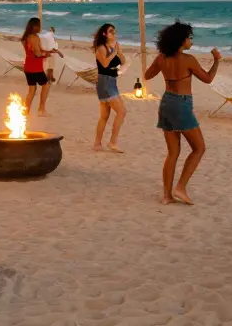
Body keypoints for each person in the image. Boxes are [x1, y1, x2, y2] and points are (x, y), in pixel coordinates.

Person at [144, 21, 221, 205]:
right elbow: (208, 79)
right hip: (181, 104)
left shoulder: (162, 58)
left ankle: (166, 195)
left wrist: (162, 65)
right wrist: (217, 61)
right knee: (199, 148)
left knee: (173, 152)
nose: (191, 41)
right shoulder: (188, 60)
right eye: (190, 38)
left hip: (166, 102)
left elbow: (147, 75)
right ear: (182, 40)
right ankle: (181, 187)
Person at [92, 23, 127, 153]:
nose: (114, 33)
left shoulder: (113, 47)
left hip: (111, 82)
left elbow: (122, 62)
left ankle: (97, 144)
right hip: (105, 82)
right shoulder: (101, 48)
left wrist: (119, 51)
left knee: (104, 116)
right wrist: (115, 52)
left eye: (114, 31)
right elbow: (105, 64)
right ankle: (112, 142)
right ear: (104, 34)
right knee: (122, 112)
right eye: (111, 31)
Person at [21, 18, 52, 116]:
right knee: (46, 85)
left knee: (32, 90)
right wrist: (45, 55)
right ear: (34, 26)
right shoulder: (34, 38)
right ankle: (41, 109)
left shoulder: (26, 37)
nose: (40, 27)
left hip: (28, 66)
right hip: (35, 67)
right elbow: (37, 53)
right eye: (39, 25)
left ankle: (26, 110)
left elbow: (35, 51)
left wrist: (48, 52)